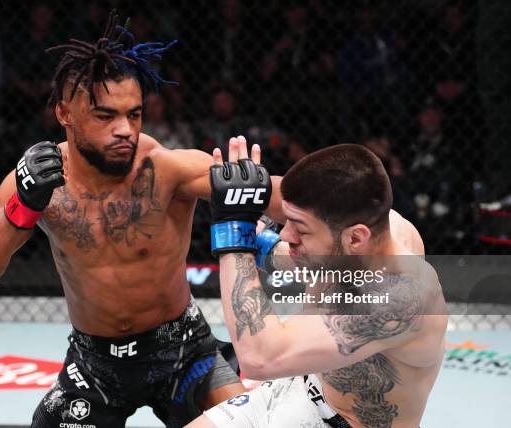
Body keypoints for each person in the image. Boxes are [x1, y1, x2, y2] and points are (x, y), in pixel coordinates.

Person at [0, 12, 283, 427]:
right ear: (65, 114)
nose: (125, 129)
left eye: (135, 114)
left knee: (250, 424)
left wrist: (258, 188)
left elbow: (287, 199)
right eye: (106, 116)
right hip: (95, 363)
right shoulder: (41, 183)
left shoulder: (167, 168)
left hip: (183, 351)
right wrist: (24, 205)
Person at [188, 139, 446, 427]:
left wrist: (233, 232)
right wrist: (244, 196)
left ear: (355, 238)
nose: (285, 234)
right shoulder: (363, 236)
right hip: (300, 387)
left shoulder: (401, 299)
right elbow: (295, 227)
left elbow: (259, 357)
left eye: (300, 228)